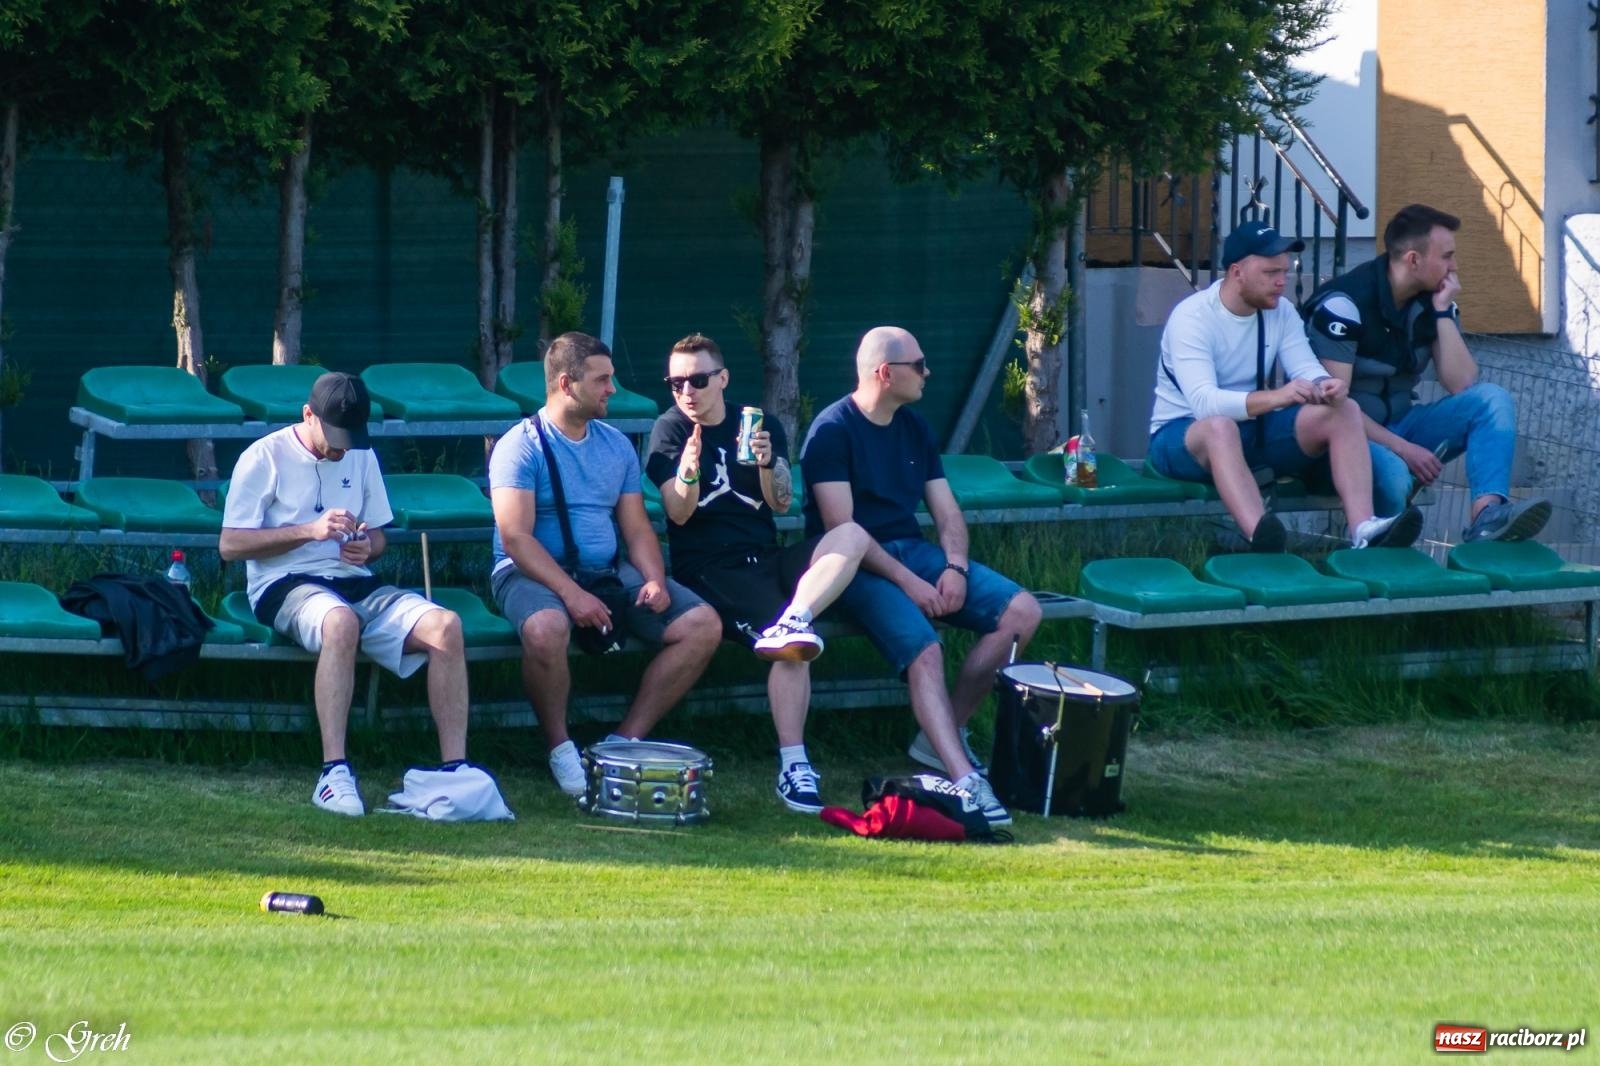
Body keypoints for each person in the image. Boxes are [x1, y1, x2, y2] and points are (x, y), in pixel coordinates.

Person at [800, 326, 1042, 829]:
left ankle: (939, 738)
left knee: (1022, 611)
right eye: (920, 364)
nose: (928, 373)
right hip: (851, 565)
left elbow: (947, 512)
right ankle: (964, 780)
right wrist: (910, 583)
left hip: (914, 552)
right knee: (926, 648)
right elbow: (844, 531)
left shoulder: (915, 428)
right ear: (886, 374)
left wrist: (953, 568)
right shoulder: (831, 430)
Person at [220, 372, 478, 817]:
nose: (342, 448)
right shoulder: (263, 456)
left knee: (446, 625)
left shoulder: (360, 454)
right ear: (308, 415)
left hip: (353, 579)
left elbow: (378, 537)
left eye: (350, 438)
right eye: (335, 436)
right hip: (284, 584)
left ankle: (456, 771)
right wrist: (309, 532)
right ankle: (333, 772)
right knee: (340, 622)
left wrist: (367, 547)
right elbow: (230, 545)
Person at [488, 331, 722, 797]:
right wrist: (573, 595)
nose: (612, 389)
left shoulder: (615, 445)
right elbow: (516, 539)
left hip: (606, 570)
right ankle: (560, 749)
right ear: (566, 383)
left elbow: (636, 529)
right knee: (546, 629)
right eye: (602, 380)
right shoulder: (520, 446)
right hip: (529, 571)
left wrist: (654, 579)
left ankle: (621, 744)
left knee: (702, 625)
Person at [645, 333, 871, 813]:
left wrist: (769, 464)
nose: (687, 391)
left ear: (722, 379)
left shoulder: (759, 422)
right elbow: (678, 514)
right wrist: (686, 472)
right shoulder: (668, 430)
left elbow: (781, 502)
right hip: (708, 569)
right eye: (676, 382)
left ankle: (799, 613)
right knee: (791, 646)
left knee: (851, 536)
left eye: (698, 380)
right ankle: (794, 765)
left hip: (764, 556)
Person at [1148, 220, 1423, 551]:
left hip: (1251, 432)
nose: (1282, 281)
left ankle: (1363, 530)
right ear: (1237, 272)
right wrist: (1279, 397)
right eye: (1270, 273)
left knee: (1344, 409)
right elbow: (1204, 405)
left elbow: (1305, 368)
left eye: (1285, 271)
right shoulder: (1192, 317)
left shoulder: (1280, 311)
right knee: (1219, 428)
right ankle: (1261, 536)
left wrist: (1325, 384)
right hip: (1181, 438)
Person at [1304, 204, 1551, 542]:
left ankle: (1487, 519)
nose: (1455, 267)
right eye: (1447, 256)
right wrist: (1403, 449)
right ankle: (1378, 557)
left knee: (1492, 400)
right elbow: (1336, 408)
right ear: (1413, 260)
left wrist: (1442, 313)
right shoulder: (1345, 305)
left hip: (1405, 426)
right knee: (1393, 473)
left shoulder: (1432, 301)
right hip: (1347, 438)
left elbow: (1461, 383)